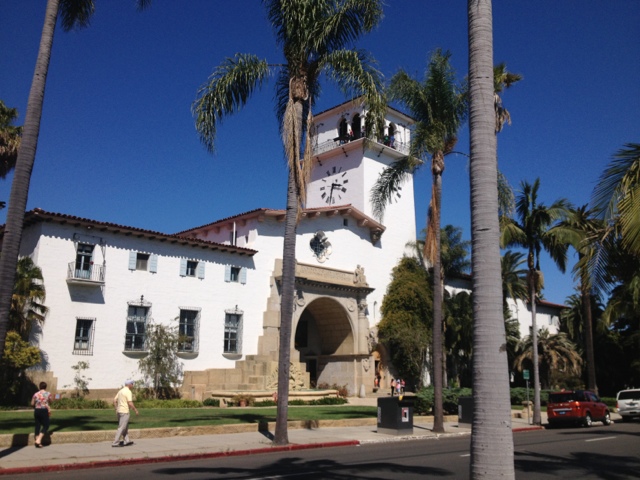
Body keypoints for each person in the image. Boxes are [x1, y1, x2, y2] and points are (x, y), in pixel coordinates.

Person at [112, 379, 139, 447]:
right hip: (124, 412)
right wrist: (135, 410)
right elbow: (130, 403)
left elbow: (114, 400)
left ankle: (127, 441)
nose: (133, 385)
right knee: (121, 427)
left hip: (119, 411)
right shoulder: (128, 391)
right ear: (129, 384)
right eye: (132, 384)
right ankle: (115, 442)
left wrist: (116, 409)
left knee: (125, 427)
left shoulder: (120, 391)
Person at [31, 382, 51, 448]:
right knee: (46, 425)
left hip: (37, 410)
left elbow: (32, 403)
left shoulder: (36, 394)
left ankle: (38, 442)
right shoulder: (48, 394)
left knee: (38, 425)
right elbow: (51, 401)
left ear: (39, 387)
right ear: (46, 387)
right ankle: (39, 439)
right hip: (44, 410)